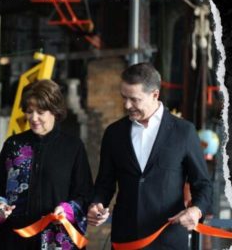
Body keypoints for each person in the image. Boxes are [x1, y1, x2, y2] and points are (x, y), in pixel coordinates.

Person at [87, 63, 212, 249]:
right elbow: (104, 183)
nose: (127, 105)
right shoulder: (114, 133)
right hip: (125, 240)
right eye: (124, 98)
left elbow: (203, 185)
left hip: (168, 241)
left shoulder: (184, 132)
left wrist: (196, 210)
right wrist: (97, 204)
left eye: (134, 99)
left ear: (155, 94)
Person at [0, 79, 93, 250]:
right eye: (29, 111)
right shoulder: (13, 145)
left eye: (40, 112)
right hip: (14, 239)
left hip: (56, 239)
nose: (33, 118)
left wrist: (67, 210)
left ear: (55, 112)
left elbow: (85, 194)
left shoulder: (73, 147)